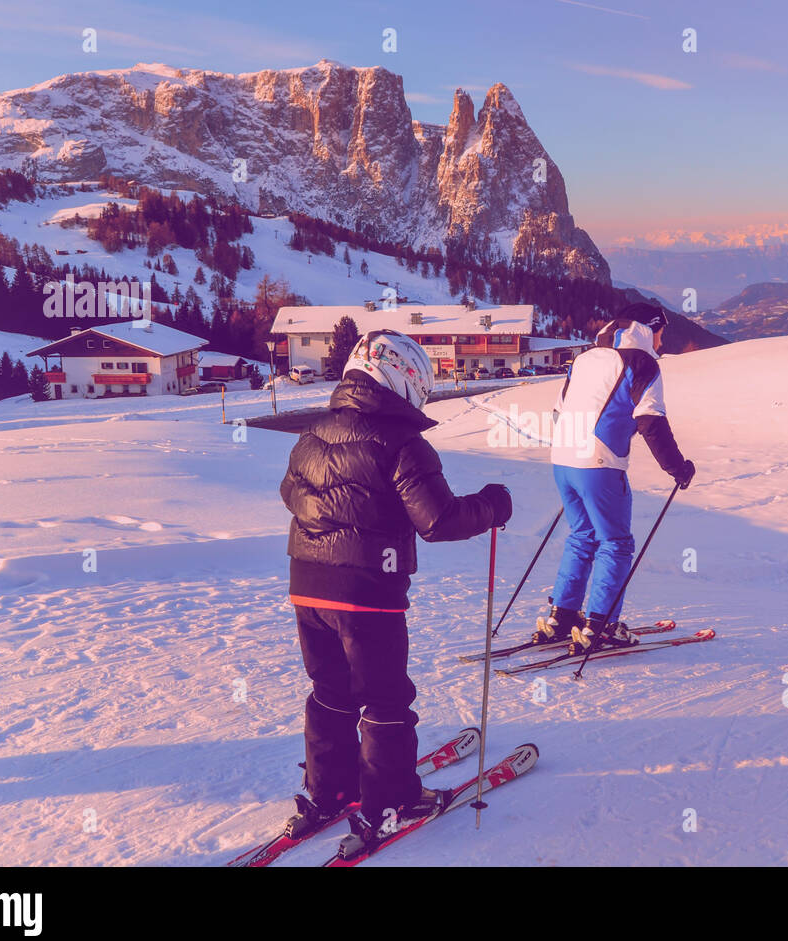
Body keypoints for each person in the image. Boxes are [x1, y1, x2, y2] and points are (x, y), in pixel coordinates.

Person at [278, 329, 511, 844]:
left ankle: (330, 789)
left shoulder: (312, 432)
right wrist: (493, 506)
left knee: (331, 691)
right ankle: (392, 802)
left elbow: (289, 494)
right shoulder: (402, 442)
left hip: (306, 584)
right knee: (385, 700)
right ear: (405, 382)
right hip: (366, 593)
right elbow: (439, 520)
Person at [538, 302, 695, 651]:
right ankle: (602, 626)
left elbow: (558, 410)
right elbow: (650, 421)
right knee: (616, 543)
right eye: (660, 332)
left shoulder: (585, 358)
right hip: (601, 463)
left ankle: (562, 617)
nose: (661, 341)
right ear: (647, 328)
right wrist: (677, 467)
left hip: (563, 459)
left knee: (582, 536)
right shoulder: (641, 363)